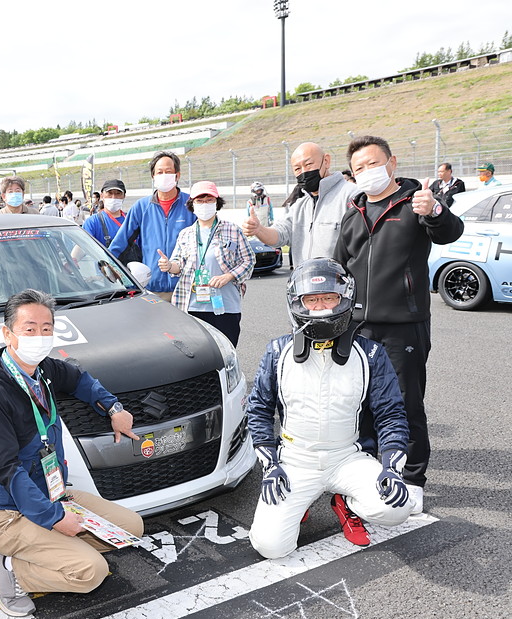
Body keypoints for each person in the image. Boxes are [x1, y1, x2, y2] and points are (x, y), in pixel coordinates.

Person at [0, 289, 144, 617]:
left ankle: (51, 548)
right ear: (8, 334)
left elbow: (81, 380)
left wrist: (114, 408)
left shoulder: (43, 370)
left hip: (54, 494)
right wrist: (54, 518)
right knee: (91, 572)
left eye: (46, 328)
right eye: (30, 329)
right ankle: (11, 568)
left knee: (130, 528)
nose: (39, 337)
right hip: (8, 514)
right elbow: (6, 469)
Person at [334, 135, 464, 515]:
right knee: (362, 404)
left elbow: (450, 232)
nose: (367, 172)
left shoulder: (415, 203)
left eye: (373, 163)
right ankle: (369, 471)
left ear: (391, 163)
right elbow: (340, 267)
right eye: (359, 168)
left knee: (405, 403)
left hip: (404, 325)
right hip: (357, 327)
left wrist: (435, 211)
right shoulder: (353, 213)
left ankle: (412, 479)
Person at [247, 258, 412, 558]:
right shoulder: (277, 352)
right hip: (295, 461)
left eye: (329, 298)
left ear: (345, 299)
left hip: (347, 457)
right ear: (297, 302)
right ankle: (299, 502)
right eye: (311, 299)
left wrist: (392, 466)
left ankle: (345, 501)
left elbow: (391, 415)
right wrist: (270, 464)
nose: (321, 307)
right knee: (271, 546)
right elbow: (258, 410)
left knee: (397, 508)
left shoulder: (371, 354)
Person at [159, 181, 253, 346]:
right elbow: (178, 264)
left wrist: (229, 276)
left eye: (209, 200)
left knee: (226, 350)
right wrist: (168, 266)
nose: (204, 204)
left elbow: (249, 260)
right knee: (196, 353)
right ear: (192, 204)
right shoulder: (186, 234)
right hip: (191, 306)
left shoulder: (233, 230)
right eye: (200, 201)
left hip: (225, 306)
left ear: (217, 203)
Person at [244, 142, 357, 264]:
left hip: (338, 276)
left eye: (308, 164)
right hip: (303, 275)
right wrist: (258, 229)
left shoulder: (351, 195)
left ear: (326, 161)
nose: (304, 171)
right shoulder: (299, 204)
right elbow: (280, 234)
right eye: (297, 169)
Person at [108, 151, 193, 301]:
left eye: (168, 171)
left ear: (177, 175)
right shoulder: (141, 207)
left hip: (187, 287)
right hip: (153, 288)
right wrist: (107, 267)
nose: (164, 175)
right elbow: (120, 243)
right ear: (153, 176)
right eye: (159, 172)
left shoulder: (191, 204)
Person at [78, 179, 143, 264]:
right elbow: (82, 245)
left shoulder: (132, 220)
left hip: (133, 271)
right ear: (102, 195)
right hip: (105, 271)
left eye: (118, 193)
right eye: (109, 193)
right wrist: (70, 262)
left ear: (124, 196)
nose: (113, 197)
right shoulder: (93, 222)